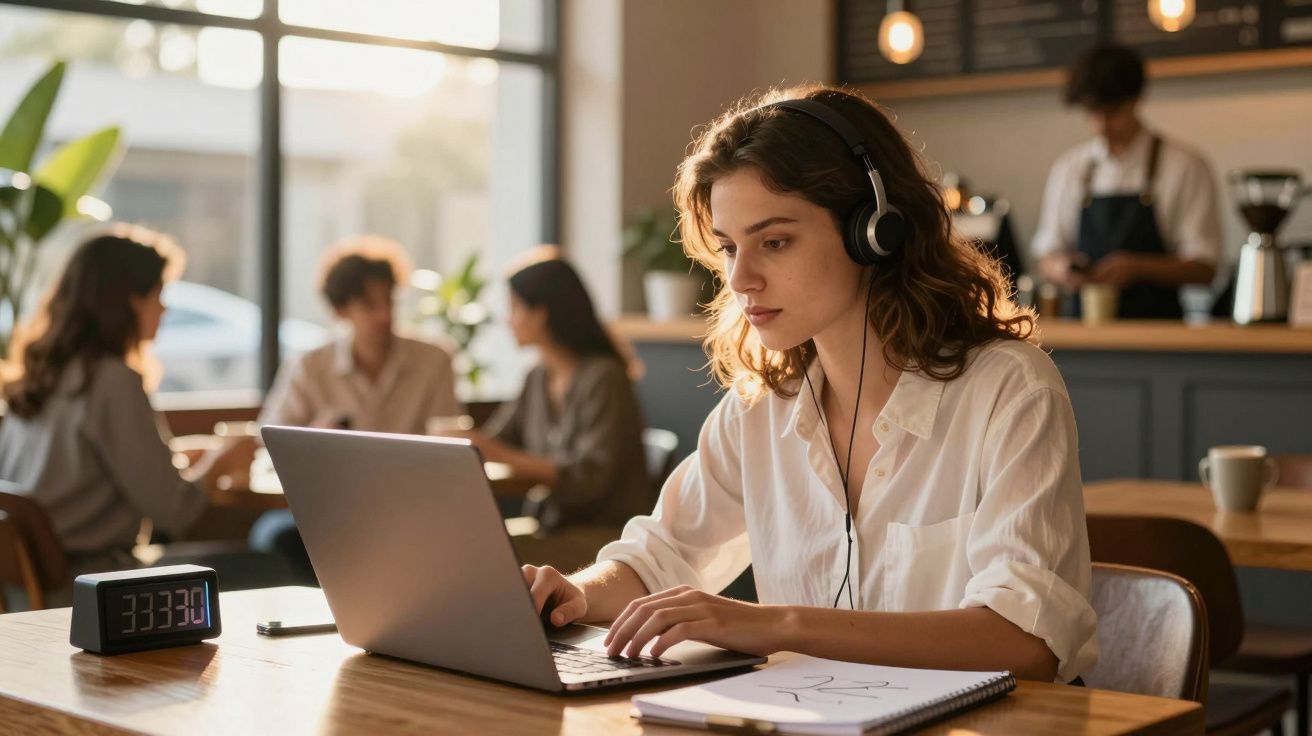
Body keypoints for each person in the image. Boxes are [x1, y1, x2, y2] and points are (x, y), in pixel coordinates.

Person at [518, 85, 1098, 684]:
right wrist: (573, 595)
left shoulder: (1009, 391)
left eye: (774, 241)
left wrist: (779, 626)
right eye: (728, 248)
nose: (741, 279)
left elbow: (1028, 641)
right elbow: (661, 557)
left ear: (874, 233)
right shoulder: (761, 410)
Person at [0, 227, 226, 573]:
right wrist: (222, 462)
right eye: (159, 294)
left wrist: (180, 457)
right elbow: (175, 511)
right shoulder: (111, 381)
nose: (164, 309)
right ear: (132, 301)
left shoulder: (41, 375)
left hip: (28, 590)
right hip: (96, 584)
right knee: (267, 563)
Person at [443, 254, 648, 529]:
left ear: (541, 314)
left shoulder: (604, 378)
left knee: (478, 548)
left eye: (515, 308)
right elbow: (501, 439)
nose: (508, 320)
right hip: (552, 524)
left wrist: (491, 450)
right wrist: (465, 443)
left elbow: (589, 480)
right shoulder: (538, 377)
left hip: (601, 535)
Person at [1033, 43, 1221, 319]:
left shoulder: (1184, 166)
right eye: (1092, 112)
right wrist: (1061, 268)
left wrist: (1137, 267)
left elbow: (1205, 269)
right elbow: (1046, 257)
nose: (1100, 125)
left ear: (1135, 100)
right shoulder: (1070, 168)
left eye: (1111, 112)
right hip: (1083, 334)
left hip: (1160, 335)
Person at [259, 235, 459, 434]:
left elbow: (448, 437)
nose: (385, 315)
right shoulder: (310, 366)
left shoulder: (434, 360)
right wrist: (315, 434)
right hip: (332, 466)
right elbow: (272, 437)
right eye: (369, 305)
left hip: (415, 467)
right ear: (340, 310)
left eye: (389, 300)